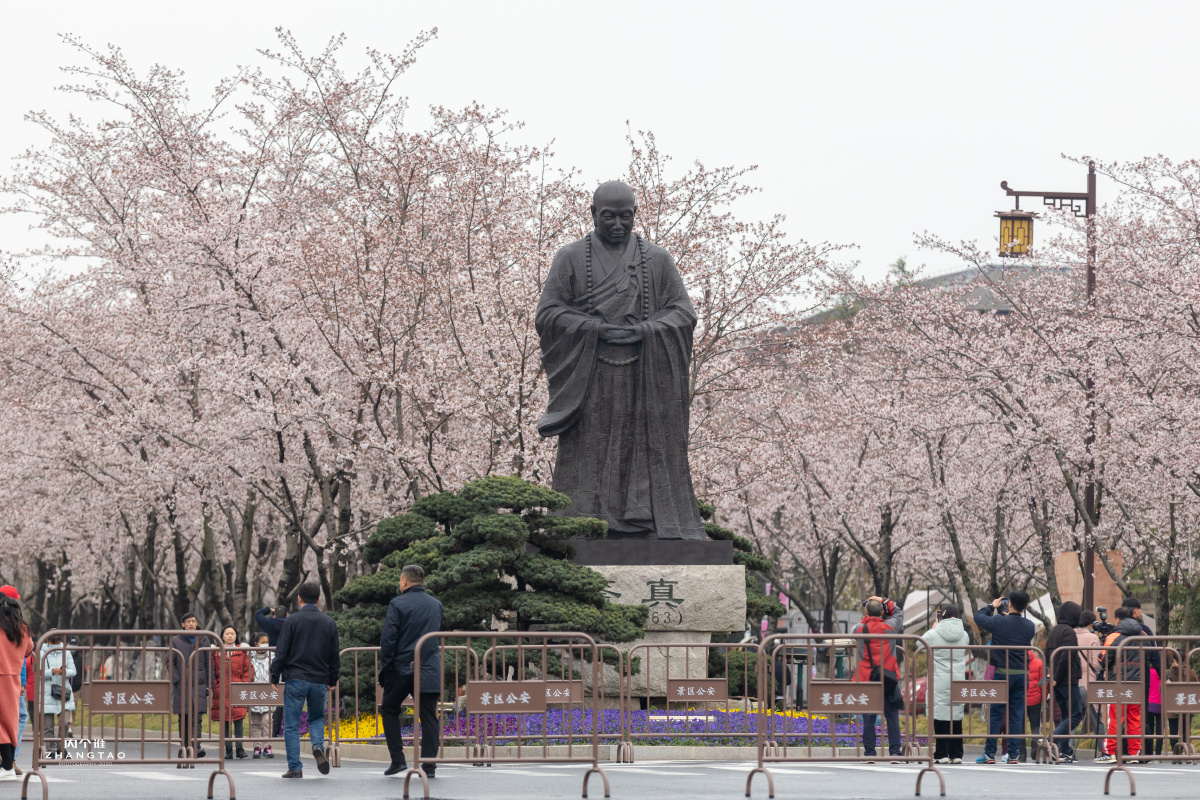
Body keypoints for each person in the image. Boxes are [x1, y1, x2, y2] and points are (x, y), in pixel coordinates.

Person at [535, 180, 707, 540]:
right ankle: (581, 525)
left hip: (644, 379)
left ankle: (643, 522)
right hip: (590, 376)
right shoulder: (569, 257)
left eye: (625, 217)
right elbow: (549, 313)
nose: (617, 224)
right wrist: (593, 328)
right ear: (593, 213)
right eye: (609, 216)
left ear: (635, 215)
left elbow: (683, 313)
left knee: (639, 451)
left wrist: (646, 330)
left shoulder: (657, 260)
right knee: (588, 453)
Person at [379, 565, 444, 778]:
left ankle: (398, 760)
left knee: (389, 709)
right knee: (428, 716)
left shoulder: (397, 604)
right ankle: (429, 766)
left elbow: (389, 639)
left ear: (404, 581)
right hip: (429, 667)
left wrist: (386, 667)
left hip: (401, 668)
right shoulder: (436, 605)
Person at [271, 582, 339, 779]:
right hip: (319, 679)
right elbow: (334, 654)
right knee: (316, 718)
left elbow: (282, 650)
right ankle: (317, 745)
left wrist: (275, 674)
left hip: (296, 678)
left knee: (291, 724)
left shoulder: (291, 622)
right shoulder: (329, 622)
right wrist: (332, 678)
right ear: (319, 599)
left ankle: (295, 767)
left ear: (299, 599)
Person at [973, 591, 1035, 765]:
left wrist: (991, 606)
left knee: (996, 713)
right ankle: (1013, 755)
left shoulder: (999, 621)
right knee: (1016, 715)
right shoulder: (1030, 626)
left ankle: (989, 754)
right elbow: (1016, 629)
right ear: (1026, 606)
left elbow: (979, 617)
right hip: (1022, 675)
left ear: (1009, 604)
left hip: (1002, 672)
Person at [853, 596, 904, 763]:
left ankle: (869, 753)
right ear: (883, 612)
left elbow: (861, 623)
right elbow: (898, 612)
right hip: (888, 677)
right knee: (891, 714)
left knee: (868, 715)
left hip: (866, 677)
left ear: (866, 611)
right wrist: (884, 600)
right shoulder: (890, 626)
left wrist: (868, 609)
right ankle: (895, 752)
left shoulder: (859, 629)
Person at [921, 603, 968, 764]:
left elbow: (919, 643)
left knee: (940, 714)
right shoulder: (965, 635)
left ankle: (942, 753)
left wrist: (935, 626)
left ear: (942, 615)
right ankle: (957, 754)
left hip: (939, 679)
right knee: (956, 713)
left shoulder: (934, 634)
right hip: (958, 678)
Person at [1096, 608, 1144, 764]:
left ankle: (1109, 752)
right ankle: (1134, 754)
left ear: (1117, 620)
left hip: (1117, 683)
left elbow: (1103, 659)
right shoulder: (1143, 635)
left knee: (1115, 718)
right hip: (1137, 682)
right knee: (1135, 718)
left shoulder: (1113, 637)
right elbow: (1150, 654)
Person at [0, 594, 34, 781]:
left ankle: (6, 767)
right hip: (13, 679)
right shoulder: (23, 628)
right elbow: (29, 650)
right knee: (10, 721)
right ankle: (8, 765)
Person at [1046, 601, 1084, 761]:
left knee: (1065, 715)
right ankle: (1050, 741)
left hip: (1057, 681)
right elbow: (1066, 656)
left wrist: (1052, 676)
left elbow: (1048, 655)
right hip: (1067, 680)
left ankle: (1064, 750)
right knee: (1075, 715)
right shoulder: (1069, 632)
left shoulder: (1055, 630)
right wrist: (1057, 677)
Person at [171, 613, 210, 760]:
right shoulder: (176, 640)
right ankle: (184, 746)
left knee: (197, 716)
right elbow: (170, 662)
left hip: (199, 684)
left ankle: (195, 747)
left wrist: (209, 684)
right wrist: (177, 680)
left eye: (193, 621)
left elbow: (208, 662)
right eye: (188, 622)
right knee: (184, 717)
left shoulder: (204, 638)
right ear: (183, 624)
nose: (192, 624)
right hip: (182, 685)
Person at [211, 626, 250, 760]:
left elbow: (247, 670)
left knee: (238, 719)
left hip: (237, 688)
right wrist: (216, 685)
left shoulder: (242, 652)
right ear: (222, 636)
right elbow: (213, 670)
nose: (229, 636)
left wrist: (243, 684)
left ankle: (240, 748)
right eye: (227, 633)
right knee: (225, 720)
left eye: (232, 633)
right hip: (221, 689)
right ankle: (228, 749)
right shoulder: (216, 652)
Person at [40, 633, 76, 760]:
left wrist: (63, 672)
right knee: (48, 725)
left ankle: (62, 748)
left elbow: (74, 670)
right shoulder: (41, 652)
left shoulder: (66, 653)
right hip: (47, 692)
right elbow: (38, 672)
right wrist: (51, 672)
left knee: (65, 722)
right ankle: (50, 750)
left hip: (63, 693)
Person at [254, 605, 288, 737]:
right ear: (287, 615)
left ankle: (271, 731)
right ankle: (276, 730)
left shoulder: (269, 622)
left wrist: (268, 609)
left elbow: (257, 613)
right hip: (289, 661)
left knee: (274, 691)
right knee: (283, 697)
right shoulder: (291, 623)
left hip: (273, 660)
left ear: (275, 615)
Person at [1075, 610, 1104, 735]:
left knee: (1072, 718)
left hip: (1074, 681)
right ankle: (1103, 750)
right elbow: (1096, 663)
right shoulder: (1093, 638)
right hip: (1089, 681)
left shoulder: (1071, 634)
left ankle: (1066, 750)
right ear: (1091, 624)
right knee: (1096, 719)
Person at [247, 633, 274, 759]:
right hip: (253, 693)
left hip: (268, 693)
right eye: (263, 641)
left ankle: (267, 746)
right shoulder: (249, 656)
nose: (265, 644)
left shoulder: (273, 656)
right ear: (256, 643)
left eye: (267, 641)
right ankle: (257, 746)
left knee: (268, 720)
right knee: (255, 722)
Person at [1018, 649, 1044, 763]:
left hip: (1020, 699)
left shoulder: (1017, 662)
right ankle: (1035, 748)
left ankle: (1022, 754)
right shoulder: (1039, 663)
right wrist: (1043, 695)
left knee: (1020, 727)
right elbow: (1042, 682)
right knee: (1035, 725)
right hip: (1036, 699)